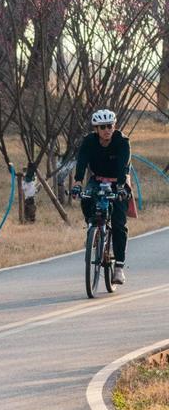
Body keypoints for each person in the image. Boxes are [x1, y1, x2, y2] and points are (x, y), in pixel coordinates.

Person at [71, 109, 131, 284]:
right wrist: (77, 182)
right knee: (86, 198)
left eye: (110, 126)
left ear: (114, 126)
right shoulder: (89, 141)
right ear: (96, 129)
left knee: (119, 222)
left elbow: (123, 165)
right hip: (97, 179)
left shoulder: (122, 142)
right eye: (102, 127)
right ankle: (93, 229)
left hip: (118, 180)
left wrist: (121, 187)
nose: (107, 130)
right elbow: (82, 161)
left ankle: (119, 267)